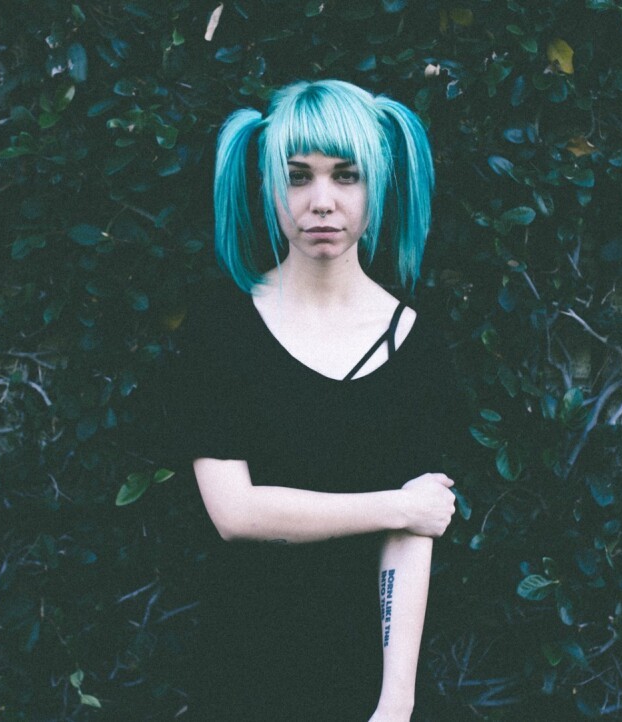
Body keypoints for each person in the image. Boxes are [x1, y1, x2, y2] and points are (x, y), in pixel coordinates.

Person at [168, 79, 461, 720]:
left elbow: (411, 539)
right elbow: (235, 512)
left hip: (363, 679)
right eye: (298, 177)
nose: (321, 202)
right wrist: (397, 504)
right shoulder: (222, 328)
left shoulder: (416, 344)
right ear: (269, 186)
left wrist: (395, 704)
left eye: (345, 176)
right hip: (242, 672)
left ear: (376, 185)